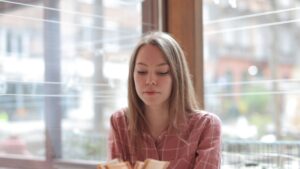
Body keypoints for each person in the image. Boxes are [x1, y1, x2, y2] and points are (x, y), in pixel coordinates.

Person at [108, 31, 222, 169]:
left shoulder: (206, 126)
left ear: (177, 76)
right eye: (142, 71)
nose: (150, 81)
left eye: (162, 72)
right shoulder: (119, 122)